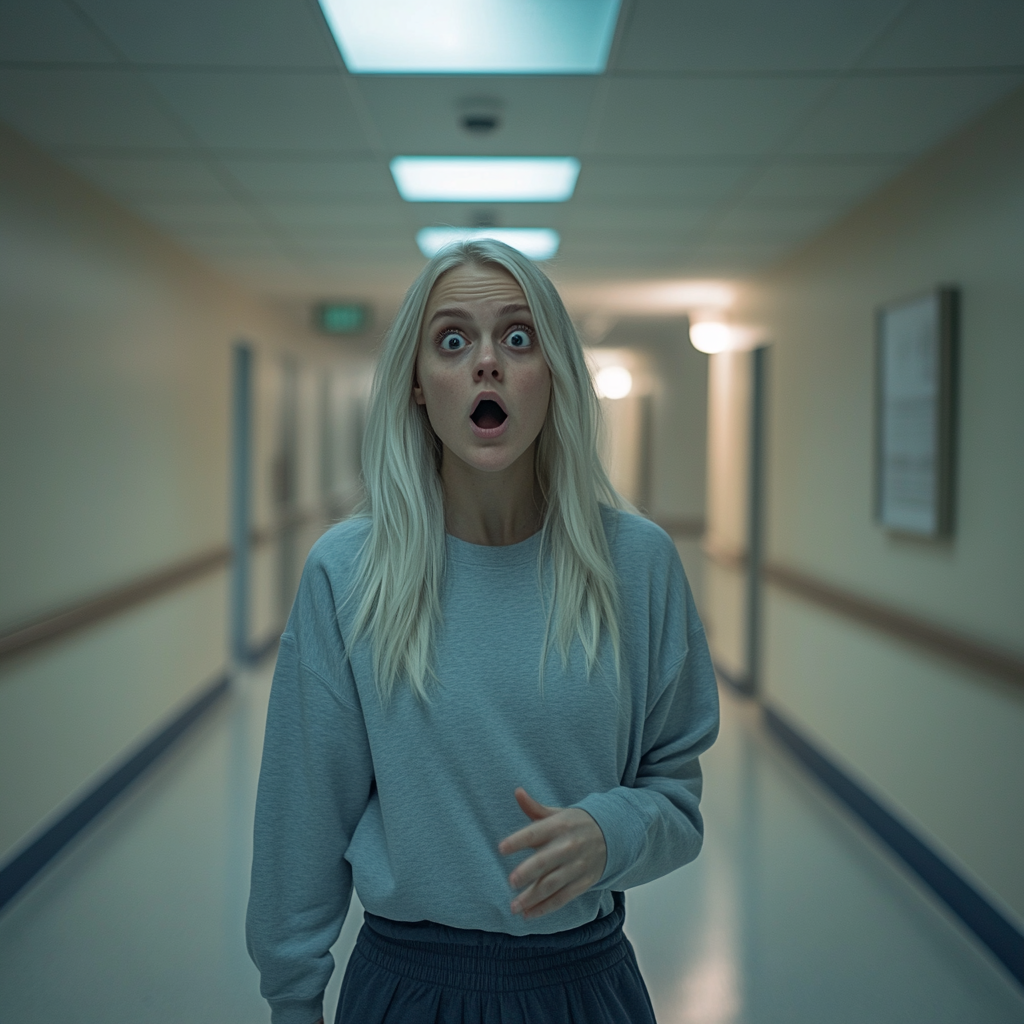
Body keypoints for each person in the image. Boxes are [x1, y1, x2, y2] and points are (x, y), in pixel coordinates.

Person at [246, 239, 720, 1024]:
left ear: (554, 378)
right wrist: (292, 1002)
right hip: (406, 987)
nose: (487, 363)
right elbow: (302, 822)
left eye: (519, 337)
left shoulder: (637, 564)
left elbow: (678, 799)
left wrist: (614, 831)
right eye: (454, 340)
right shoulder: (349, 571)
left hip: (583, 985)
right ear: (419, 387)